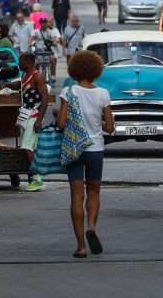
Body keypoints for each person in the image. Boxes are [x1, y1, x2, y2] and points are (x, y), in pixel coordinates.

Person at [56, 51, 114, 258]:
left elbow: (61, 123)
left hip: (74, 149)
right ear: (96, 70)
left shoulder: (68, 92)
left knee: (76, 195)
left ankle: (81, 246)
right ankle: (91, 227)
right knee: (94, 192)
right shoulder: (103, 94)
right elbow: (110, 127)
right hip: (95, 149)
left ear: (74, 70)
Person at [1, 53, 49, 192]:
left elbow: (44, 99)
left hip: (34, 116)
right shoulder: (26, 75)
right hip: (26, 115)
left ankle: (37, 178)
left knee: (27, 147)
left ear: (28, 62)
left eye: (21, 62)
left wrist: (39, 120)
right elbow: (20, 85)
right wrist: (7, 85)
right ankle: (34, 176)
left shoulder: (37, 76)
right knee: (30, 147)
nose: (19, 64)